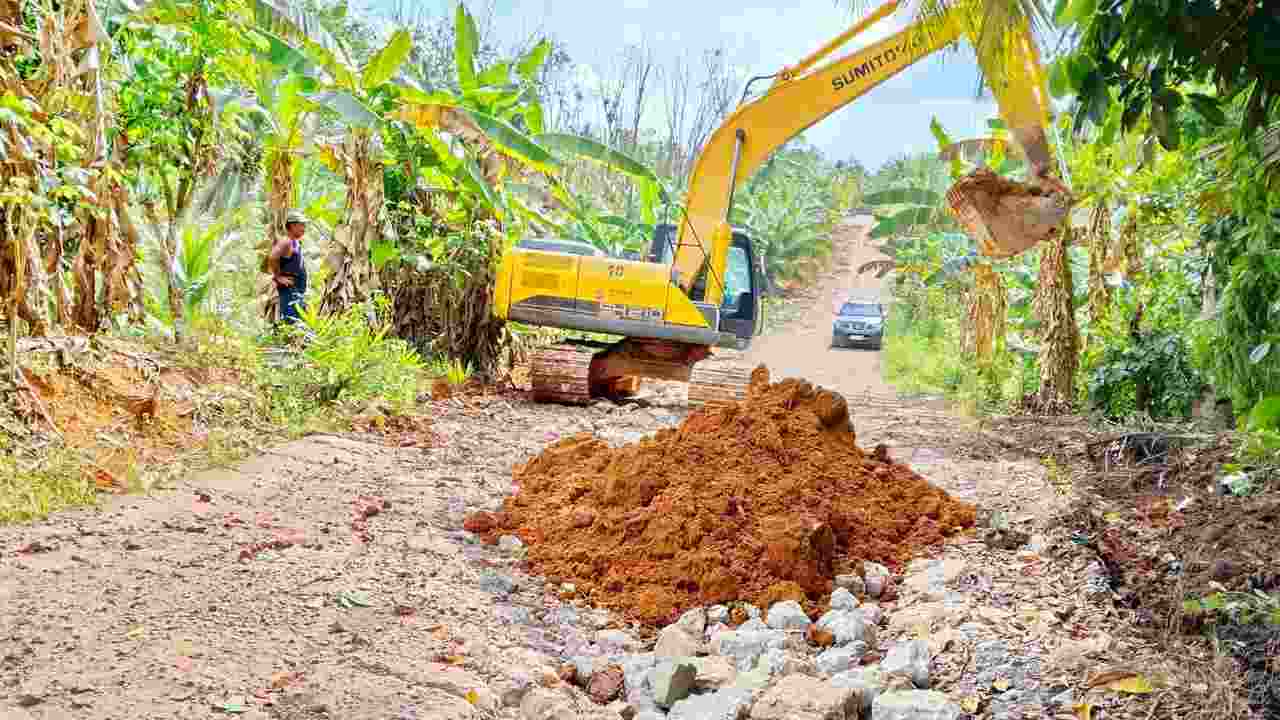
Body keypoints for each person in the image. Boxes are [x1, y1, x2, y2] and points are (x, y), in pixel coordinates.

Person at [267, 210, 309, 325]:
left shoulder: (295, 242)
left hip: (296, 290)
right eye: (301, 225)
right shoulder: (286, 241)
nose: (304, 228)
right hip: (289, 289)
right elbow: (272, 257)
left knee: (299, 320)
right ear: (292, 225)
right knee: (292, 321)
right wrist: (278, 277)